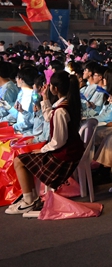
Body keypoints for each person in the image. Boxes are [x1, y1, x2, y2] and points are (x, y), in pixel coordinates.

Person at [5, 71, 84, 215]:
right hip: (67, 151)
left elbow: (58, 141)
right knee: (23, 160)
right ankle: (31, 199)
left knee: (19, 161)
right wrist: (45, 99)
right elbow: (49, 117)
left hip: (63, 157)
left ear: (54, 88)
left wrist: (42, 150)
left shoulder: (61, 110)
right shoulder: (67, 104)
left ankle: (29, 200)